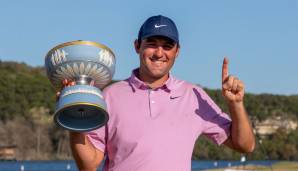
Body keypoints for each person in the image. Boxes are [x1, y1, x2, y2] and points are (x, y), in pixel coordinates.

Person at [67, 15, 255, 171]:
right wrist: (74, 120)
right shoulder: (109, 96)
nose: (159, 52)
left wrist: (235, 104)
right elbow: (89, 165)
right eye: (151, 43)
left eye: (167, 46)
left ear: (177, 51)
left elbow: (245, 145)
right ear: (137, 46)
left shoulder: (193, 95)